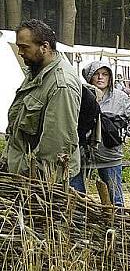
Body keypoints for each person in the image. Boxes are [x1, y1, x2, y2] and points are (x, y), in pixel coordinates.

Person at [1, 20, 81, 183]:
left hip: (45, 182)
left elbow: (57, 145)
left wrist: (34, 180)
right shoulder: (36, 74)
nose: (20, 52)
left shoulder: (61, 84)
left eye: (24, 47)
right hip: (24, 174)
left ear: (44, 47)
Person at [70, 60, 130, 207]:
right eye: (96, 74)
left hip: (110, 155)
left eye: (104, 74)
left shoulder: (120, 98)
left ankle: (117, 226)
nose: (100, 77)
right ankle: (79, 226)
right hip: (82, 155)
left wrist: (125, 133)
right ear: (89, 77)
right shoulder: (79, 96)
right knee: (77, 197)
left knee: (115, 199)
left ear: (110, 77)